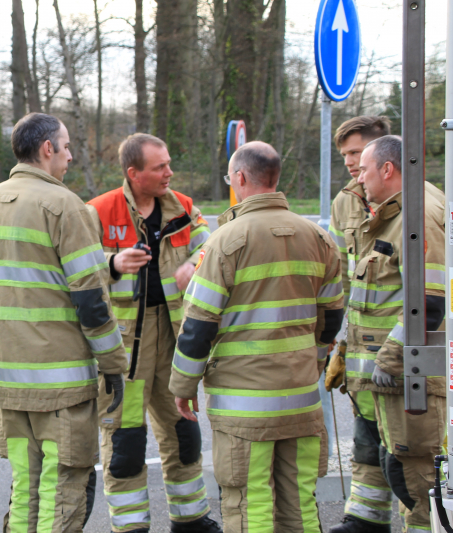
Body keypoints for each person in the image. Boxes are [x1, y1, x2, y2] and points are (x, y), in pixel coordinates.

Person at [170, 141, 344, 532]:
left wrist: (183, 386)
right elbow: (332, 315)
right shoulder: (318, 238)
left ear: (241, 178)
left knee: (250, 503)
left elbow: (198, 325)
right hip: (301, 399)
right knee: (300, 502)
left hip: (243, 408)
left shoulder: (225, 242)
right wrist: (312, 362)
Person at [0, 112, 128, 532]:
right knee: (64, 491)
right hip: (60, 387)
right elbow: (92, 303)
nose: (71, 156)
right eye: (68, 145)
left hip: (9, 380)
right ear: (47, 150)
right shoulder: (65, 206)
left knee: (25, 487)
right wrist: (114, 364)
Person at [85, 134, 219, 533]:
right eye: (160, 167)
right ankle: (130, 527)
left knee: (184, 435)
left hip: (175, 343)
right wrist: (112, 263)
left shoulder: (184, 208)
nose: (169, 172)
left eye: (169, 163)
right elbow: (78, 274)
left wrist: (195, 263)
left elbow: (211, 247)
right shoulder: (98, 212)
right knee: (125, 445)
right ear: (134, 173)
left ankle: (191, 520)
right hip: (126, 353)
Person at [342, 135, 445, 533]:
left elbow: (429, 303)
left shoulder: (419, 215)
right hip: (396, 381)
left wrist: (390, 357)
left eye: (364, 170)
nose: (360, 180)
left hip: (410, 379)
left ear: (388, 169)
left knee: (419, 481)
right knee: (400, 471)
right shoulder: (400, 213)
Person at [324, 116, 395, 532]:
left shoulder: (417, 200)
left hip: (400, 339)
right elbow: (337, 271)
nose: (350, 163)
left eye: (356, 153)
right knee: (366, 428)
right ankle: (366, 520)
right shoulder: (344, 202)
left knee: (405, 439)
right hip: (358, 333)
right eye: (345, 155)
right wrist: (337, 337)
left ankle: (418, 516)